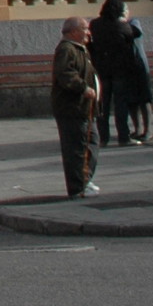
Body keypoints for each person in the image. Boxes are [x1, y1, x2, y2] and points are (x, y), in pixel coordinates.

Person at [88, 0, 149, 147]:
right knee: (121, 104)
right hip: (120, 70)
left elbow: (90, 44)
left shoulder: (94, 24)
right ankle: (124, 136)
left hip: (101, 69)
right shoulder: (121, 25)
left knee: (103, 105)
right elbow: (135, 34)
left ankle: (103, 138)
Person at [52, 18, 100, 198]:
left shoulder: (80, 49)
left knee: (90, 143)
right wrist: (83, 87)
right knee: (77, 147)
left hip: (84, 108)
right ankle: (78, 186)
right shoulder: (66, 49)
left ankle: (84, 180)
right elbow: (65, 74)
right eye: (85, 29)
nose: (88, 33)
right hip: (72, 108)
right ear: (72, 31)